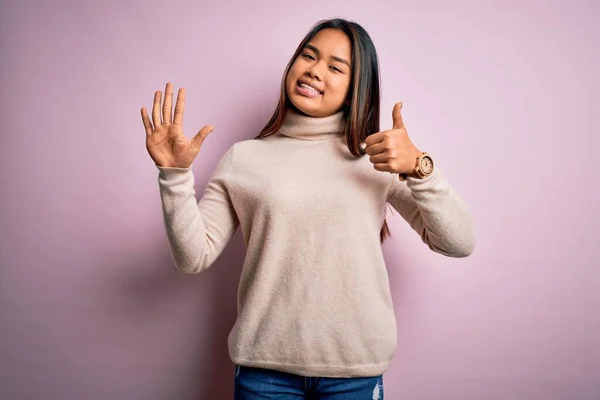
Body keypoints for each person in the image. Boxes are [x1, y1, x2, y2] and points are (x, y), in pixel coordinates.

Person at [140, 17, 475, 400]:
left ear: (354, 89)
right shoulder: (244, 159)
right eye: (308, 56)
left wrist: (420, 166)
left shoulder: (377, 159)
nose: (314, 71)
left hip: (355, 372)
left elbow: (459, 241)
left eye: (335, 67)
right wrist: (175, 174)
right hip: (264, 374)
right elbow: (192, 257)